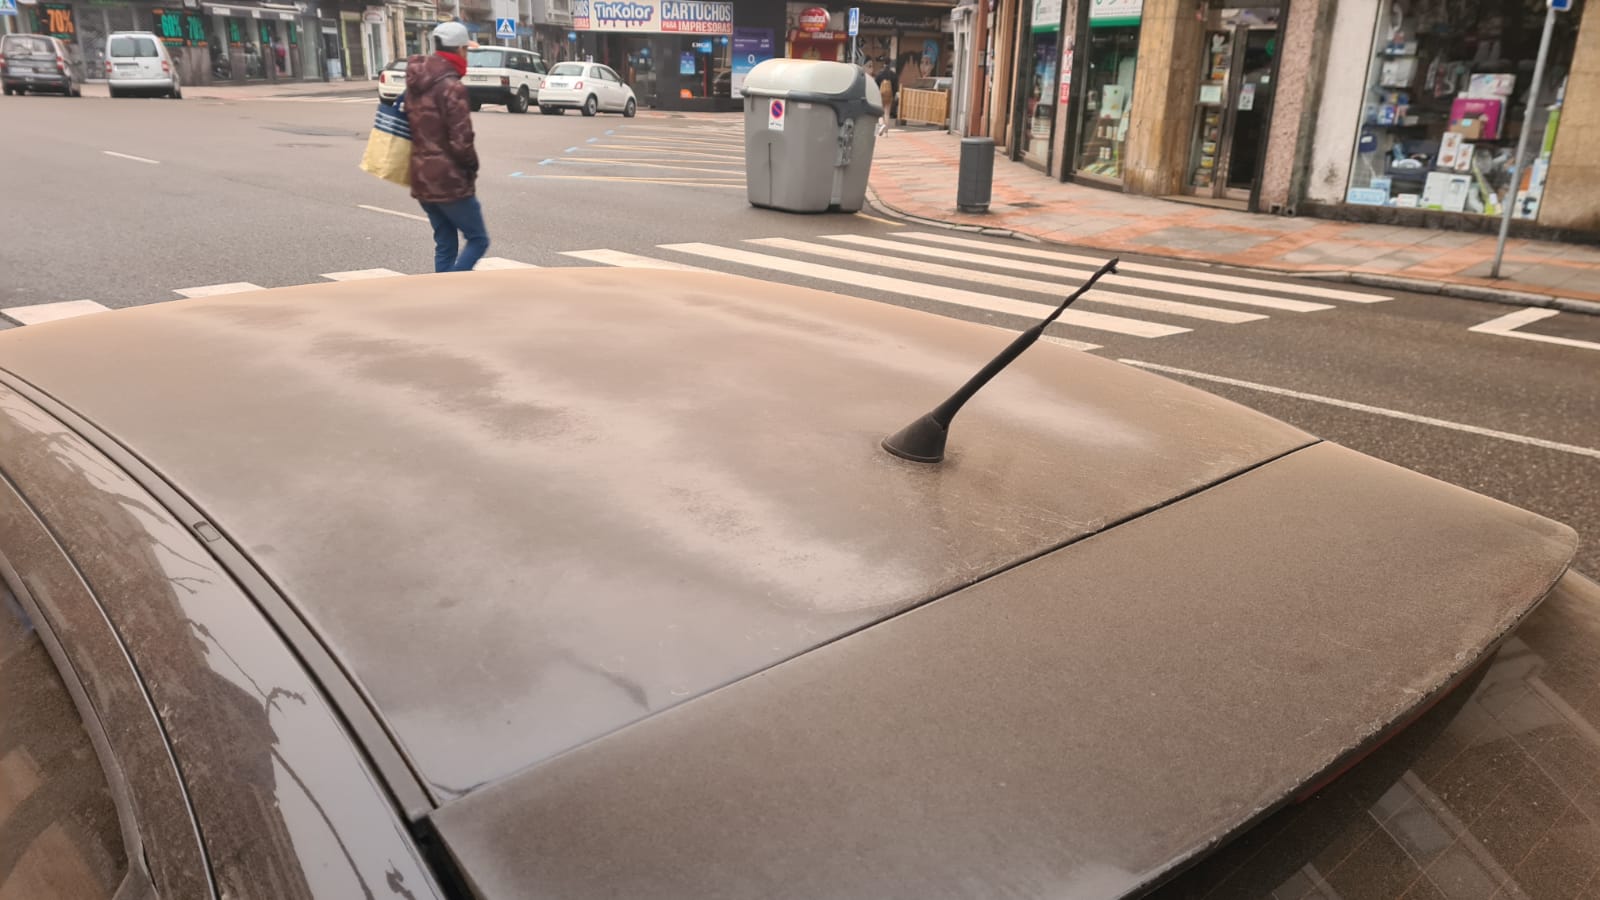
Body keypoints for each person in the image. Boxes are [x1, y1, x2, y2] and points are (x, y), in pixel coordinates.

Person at [405, 21, 489, 273]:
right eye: (466, 51)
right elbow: (462, 141)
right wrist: (471, 169)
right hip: (449, 181)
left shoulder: (417, 82)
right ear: (460, 50)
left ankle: (440, 292)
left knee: (445, 242)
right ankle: (451, 286)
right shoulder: (452, 86)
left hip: (421, 178)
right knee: (478, 239)